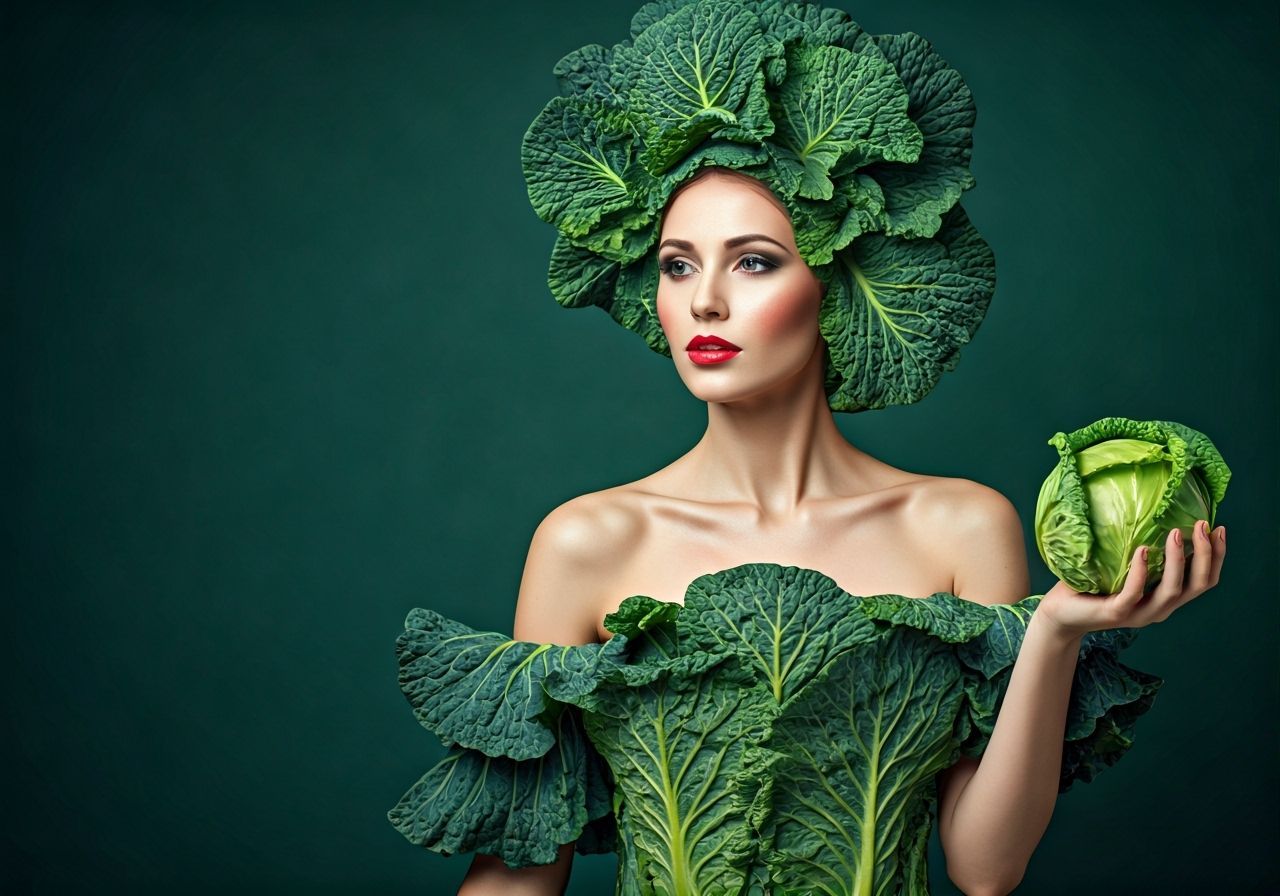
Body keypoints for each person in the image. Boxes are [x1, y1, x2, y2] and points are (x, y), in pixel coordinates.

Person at [390, 3, 1228, 894]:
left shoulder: (958, 525)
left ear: (844, 277)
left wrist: (1056, 631)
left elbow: (986, 869)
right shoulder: (586, 541)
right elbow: (519, 876)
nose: (704, 302)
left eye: (753, 261)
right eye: (678, 264)